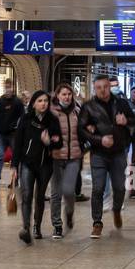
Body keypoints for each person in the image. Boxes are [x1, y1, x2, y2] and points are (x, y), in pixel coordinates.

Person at [81, 74, 135, 239]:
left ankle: (116, 209)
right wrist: (99, 139)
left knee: (120, 188)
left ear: (110, 86)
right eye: (99, 87)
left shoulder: (121, 103)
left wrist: (125, 122)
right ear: (94, 88)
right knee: (98, 188)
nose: (102, 90)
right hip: (98, 153)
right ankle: (97, 223)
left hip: (118, 152)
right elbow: (82, 129)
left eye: (105, 87)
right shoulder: (88, 106)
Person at [11, 90, 61, 245]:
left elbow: (59, 142)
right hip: (27, 163)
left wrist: (49, 143)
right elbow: (18, 144)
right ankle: (25, 227)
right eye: (40, 101)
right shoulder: (25, 119)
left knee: (39, 197)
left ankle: (36, 227)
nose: (43, 103)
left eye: (45, 100)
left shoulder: (53, 120)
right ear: (33, 103)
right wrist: (14, 165)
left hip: (45, 164)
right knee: (26, 196)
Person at [48, 84, 83, 238]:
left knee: (69, 191)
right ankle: (57, 225)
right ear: (58, 95)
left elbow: (84, 131)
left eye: (69, 94)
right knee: (56, 193)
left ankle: (69, 213)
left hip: (74, 157)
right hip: (56, 157)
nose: (67, 97)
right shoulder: (52, 113)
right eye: (64, 94)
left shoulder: (77, 111)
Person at [0, 83, 23, 189]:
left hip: (13, 134)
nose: (8, 90)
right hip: (2, 134)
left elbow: (22, 117)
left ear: (12, 89)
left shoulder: (17, 102)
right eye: (7, 87)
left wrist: (17, 129)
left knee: (15, 158)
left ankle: (14, 180)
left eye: (10, 87)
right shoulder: (1, 101)